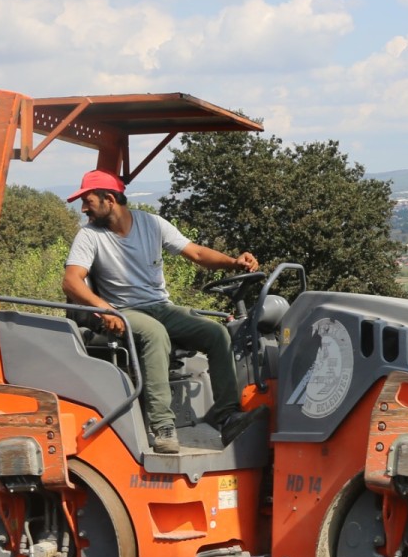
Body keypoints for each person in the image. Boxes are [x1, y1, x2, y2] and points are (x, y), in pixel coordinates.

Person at [62, 169, 261, 456]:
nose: (83, 208)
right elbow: (71, 281)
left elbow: (197, 254)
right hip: (124, 311)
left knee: (216, 332)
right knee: (155, 334)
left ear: (109, 199)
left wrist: (234, 262)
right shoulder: (89, 236)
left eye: (87, 201)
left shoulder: (152, 224)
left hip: (161, 307)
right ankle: (163, 427)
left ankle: (227, 416)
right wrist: (106, 310)